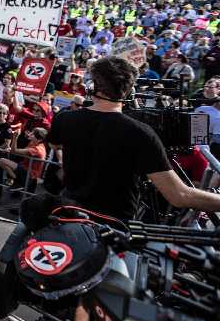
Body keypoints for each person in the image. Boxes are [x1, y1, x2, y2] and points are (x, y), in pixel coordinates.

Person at [48, 56, 220, 221]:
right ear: (129, 91)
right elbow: (179, 195)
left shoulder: (64, 118)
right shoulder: (141, 133)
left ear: (92, 87)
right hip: (112, 228)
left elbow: (54, 145)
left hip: (68, 215)